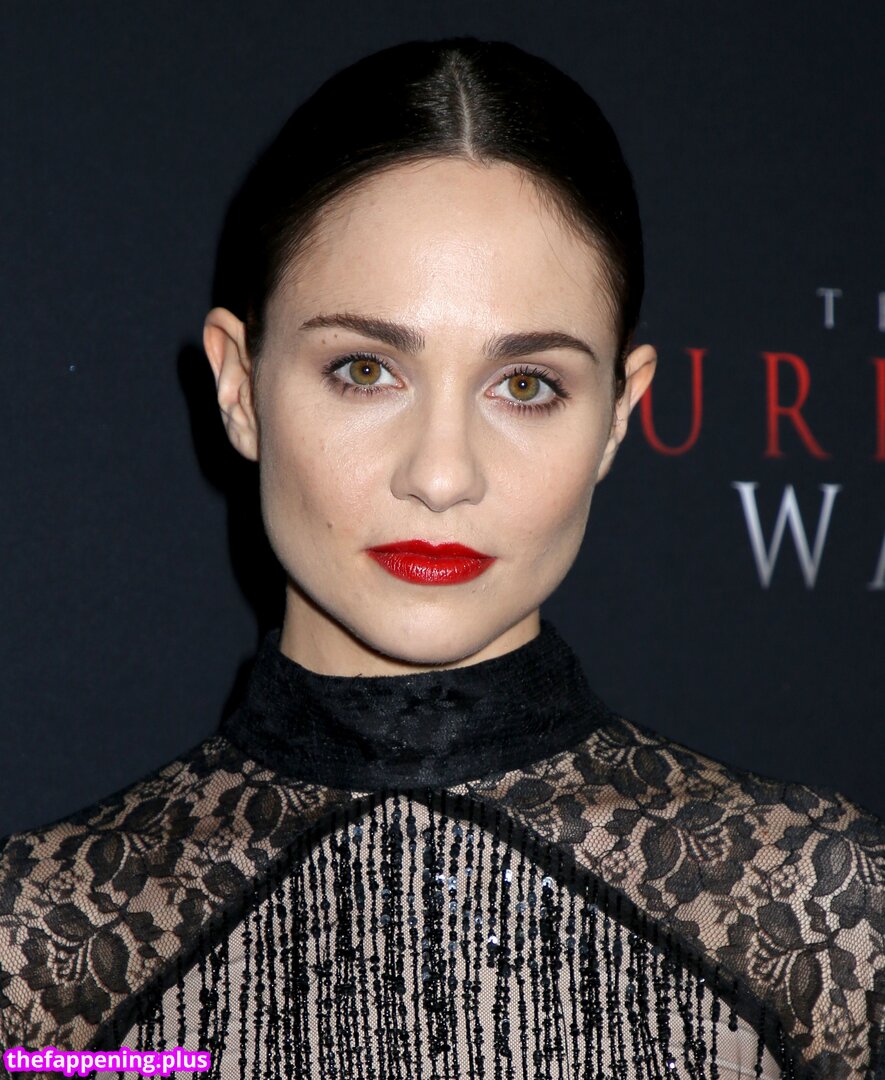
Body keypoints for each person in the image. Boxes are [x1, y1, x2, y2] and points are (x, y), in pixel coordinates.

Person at [0, 36, 881, 1080]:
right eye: (365, 370)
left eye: (526, 386)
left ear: (618, 413)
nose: (442, 474)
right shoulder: (37, 944)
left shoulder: (823, 909)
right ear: (239, 386)